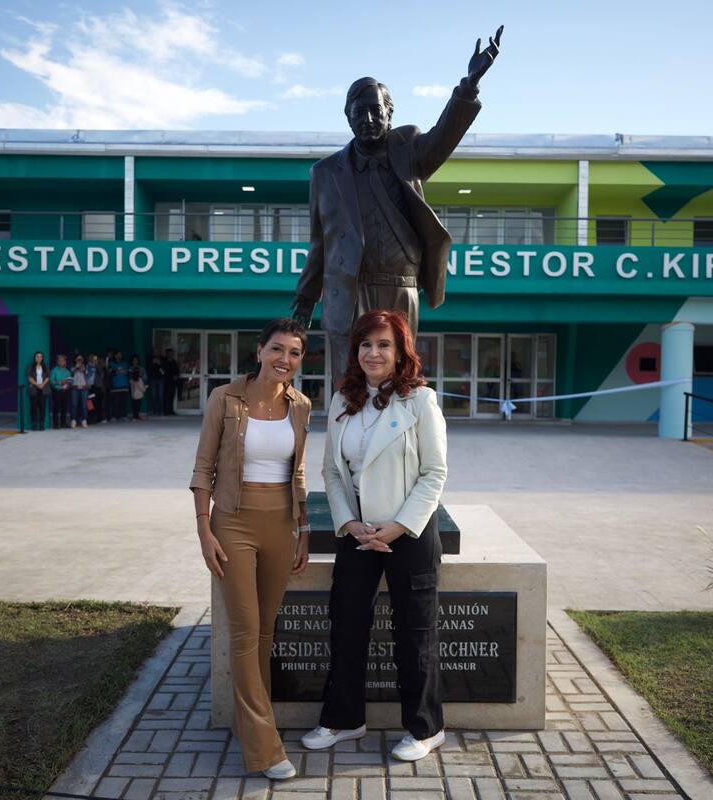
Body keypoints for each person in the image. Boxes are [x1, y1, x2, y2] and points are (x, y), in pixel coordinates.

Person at [291, 27, 503, 378]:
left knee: (398, 375)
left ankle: (396, 433)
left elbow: (444, 136)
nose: (368, 119)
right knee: (351, 380)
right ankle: (349, 434)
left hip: (402, 286)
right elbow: (320, 241)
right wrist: (304, 298)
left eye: (376, 111)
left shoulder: (410, 152)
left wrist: (468, 87)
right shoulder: (325, 173)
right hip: (349, 288)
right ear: (348, 117)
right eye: (359, 113)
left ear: (390, 114)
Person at [302, 309, 448, 762]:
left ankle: (425, 729)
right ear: (356, 351)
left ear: (401, 349)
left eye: (384, 344)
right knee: (347, 626)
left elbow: (434, 472)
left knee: (414, 631)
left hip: (409, 532)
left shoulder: (420, 401)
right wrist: (349, 523)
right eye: (366, 344)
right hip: (358, 534)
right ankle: (345, 719)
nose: (374, 352)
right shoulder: (343, 400)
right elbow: (331, 470)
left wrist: (398, 525)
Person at [190, 318, 312, 780]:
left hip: (280, 523)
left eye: (295, 353)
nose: (285, 360)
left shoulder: (301, 405)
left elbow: (297, 473)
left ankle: (248, 724)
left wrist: (303, 530)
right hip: (233, 522)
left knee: (265, 631)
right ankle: (264, 748)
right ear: (259, 351)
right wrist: (205, 530)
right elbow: (203, 469)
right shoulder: (225, 399)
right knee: (244, 632)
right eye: (278, 349)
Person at [25, 351, 50, 431]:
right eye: (37, 356)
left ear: (42, 358)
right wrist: (37, 384)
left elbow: (48, 377)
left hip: (43, 389)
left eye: (40, 357)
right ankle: (34, 424)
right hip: (34, 389)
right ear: (35, 358)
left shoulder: (45, 366)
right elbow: (29, 378)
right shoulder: (30, 366)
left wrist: (42, 385)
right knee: (33, 408)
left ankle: (42, 424)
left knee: (42, 408)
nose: (39, 358)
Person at [50, 354, 72, 429]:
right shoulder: (54, 370)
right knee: (56, 408)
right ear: (57, 361)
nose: (62, 362)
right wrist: (60, 382)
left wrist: (68, 385)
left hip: (65, 391)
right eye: (60, 360)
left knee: (64, 408)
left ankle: (63, 423)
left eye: (63, 360)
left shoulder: (67, 372)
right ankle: (55, 424)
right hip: (57, 391)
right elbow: (52, 381)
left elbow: (70, 381)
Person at [71, 354, 90, 428]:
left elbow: (88, 376)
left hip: (84, 388)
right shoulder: (73, 367)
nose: (79, 360)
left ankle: (84, 420)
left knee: (84, 405)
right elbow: (71, 374)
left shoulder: (86, 367)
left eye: (80, 359)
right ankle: (73, 420)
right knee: (74, 405)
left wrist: (83, 368)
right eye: (78, 359)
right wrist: (76, 367)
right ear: (75, 360)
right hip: (74, 388)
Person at [110, 349, 129, 421]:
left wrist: (117, 371)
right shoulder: (112, 363)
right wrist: (119, 371)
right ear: (115, 355)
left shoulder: (124, 363)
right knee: (116, 402)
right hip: (115, 386)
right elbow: (112, 372)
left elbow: (126, 372)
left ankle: (123, 416)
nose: (119, 356)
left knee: (123, 402)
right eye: (117, 354)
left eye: (120, 354)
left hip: (124, 385)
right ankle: (115, 416)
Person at [162, 348, 180, 415]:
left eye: (172, 353)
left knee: (171, 396)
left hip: (172, 382)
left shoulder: (174, 362)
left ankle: (171, 410)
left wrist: (176, 376)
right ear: (167, 354)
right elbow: (163, 370)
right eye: (170, 353)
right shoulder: (164, 362)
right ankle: (165, 411)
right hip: (166, 381)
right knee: (165, 396)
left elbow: (177, 371)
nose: (171, 355)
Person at [88, 353, 105, 425]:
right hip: (89, 386)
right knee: (91, 403)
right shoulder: (87, 366)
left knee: (98, 402)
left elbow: (101, 373)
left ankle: (98, 418)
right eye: (93, 358)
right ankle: (91, 418)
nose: (94, 360)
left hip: (97, 387)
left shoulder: (98, 366)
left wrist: (97, 365)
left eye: (96, 359)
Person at [129, 354, 146, 421]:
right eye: (134, 360)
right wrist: (144, 389)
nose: (135, 361)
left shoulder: (131, 380)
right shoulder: (139, 379)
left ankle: (135, 416)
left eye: (136, 360)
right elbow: (142, 388)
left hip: (134, 393)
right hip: (138, 393)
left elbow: (145, 377)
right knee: (137, 404)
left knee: (135, 404)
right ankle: (136, 416)